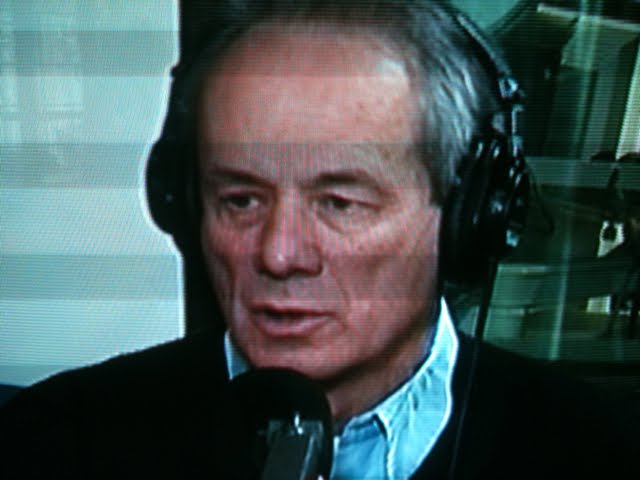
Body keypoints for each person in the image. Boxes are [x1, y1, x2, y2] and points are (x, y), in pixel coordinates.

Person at [1, 1, 638, 478]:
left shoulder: (600, 452)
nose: (278, 254)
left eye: (339, 203)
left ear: (468, 214)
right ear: (183, 205)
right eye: (241, 199)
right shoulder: (53, 442)